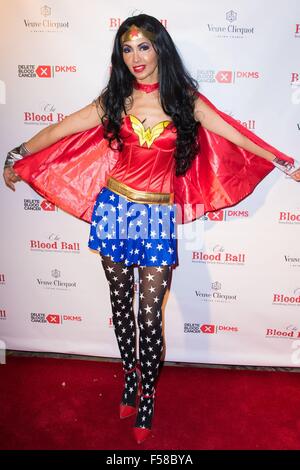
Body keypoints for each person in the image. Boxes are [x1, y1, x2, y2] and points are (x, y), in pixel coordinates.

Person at [3, 14, 300, 444]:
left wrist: (282, 160)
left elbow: (235, 134)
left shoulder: (185, 101)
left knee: (149, 314)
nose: (136, 57)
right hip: (114, 212)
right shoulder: (117, 101)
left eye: (143, 46)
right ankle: (129, 377)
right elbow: (60, 128)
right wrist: (15, 154)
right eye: (127, 48)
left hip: (156, 218)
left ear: (160, 47)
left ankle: (148, 396)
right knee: (121, 304)